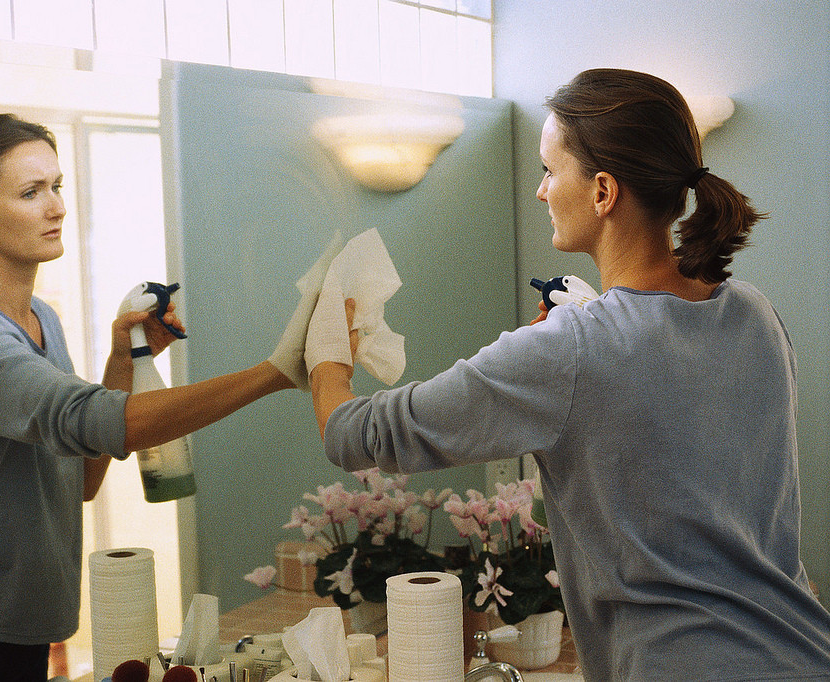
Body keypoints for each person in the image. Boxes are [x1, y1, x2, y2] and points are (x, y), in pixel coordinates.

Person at [307, 69, 830, 681]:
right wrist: (572, 343)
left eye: (551, 170)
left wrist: (323, 357)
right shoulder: (752, 313)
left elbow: (356, 435)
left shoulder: (571, 350)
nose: (540, 191)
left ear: (603, 191)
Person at [0, 113, 311, 681]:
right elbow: (100, 422)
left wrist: (121, 363)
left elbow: (80, 481)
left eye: (56, 186)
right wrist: (275, 373)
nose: (56, 206)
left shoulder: (41, 320)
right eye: (31, 192)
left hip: (15, 638)